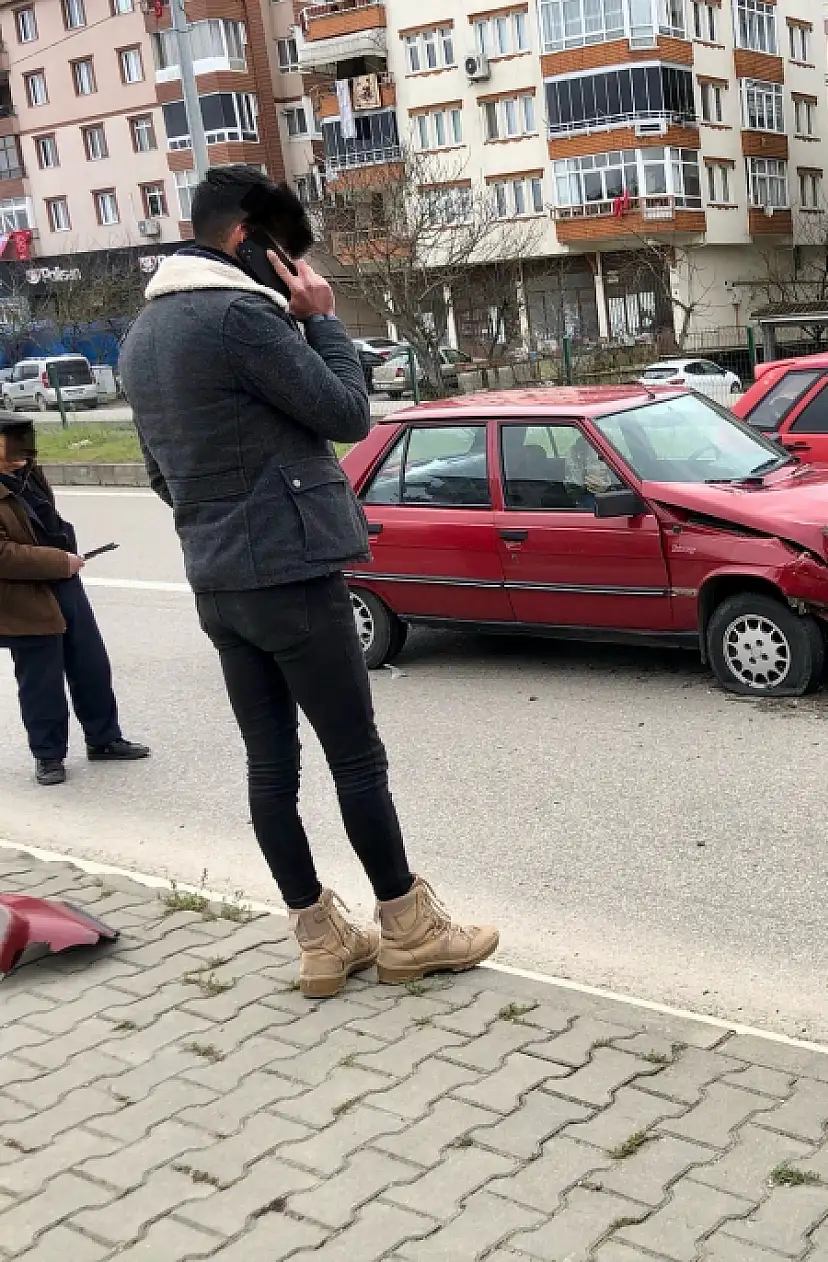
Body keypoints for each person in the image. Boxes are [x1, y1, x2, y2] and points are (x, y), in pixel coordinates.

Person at [119, 165, 496, 998]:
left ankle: (321, 942)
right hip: (292, 577)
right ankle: (408, 928)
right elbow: (347, 414)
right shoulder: (242, 318)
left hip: (218, 585)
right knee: (357, 759)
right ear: (247, 241)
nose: (294, 273)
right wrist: (321, 320)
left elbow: (158, 474)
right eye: (287, 257)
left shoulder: (141, 337)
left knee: (269, 767)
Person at [0, 417, 149, 785]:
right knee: (41, 677)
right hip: (22, 594)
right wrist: (57, 560)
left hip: (64, 580)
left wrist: (67, 552)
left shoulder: (29, 473)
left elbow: (47, 519)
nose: (23, 450)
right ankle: (48, 756)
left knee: (90, 663)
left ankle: (105, 739)